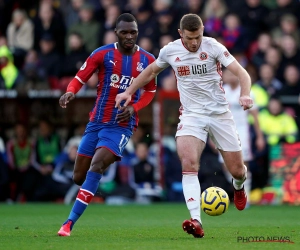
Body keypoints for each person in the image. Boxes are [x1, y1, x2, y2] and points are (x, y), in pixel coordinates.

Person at [115, 13, 253, 238]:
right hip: (191, 115)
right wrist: (129, 91)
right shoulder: (170, 51)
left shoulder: (213, 47)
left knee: (237, 170)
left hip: (220, 114)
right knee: (188, 162)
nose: (194, 43)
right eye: (189, 38)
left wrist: (245, 94)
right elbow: (150, 71)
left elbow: (242, 73)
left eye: (198, 37)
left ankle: (238, 187)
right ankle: (196, 220)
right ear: (181, 34)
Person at [57, 13, 156, 237]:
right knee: (78, 177)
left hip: (122, 125)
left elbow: (150, 92)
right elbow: (80, 77)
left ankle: (68, 224)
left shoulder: (148, 60)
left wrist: (135, 107)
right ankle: (93, 186)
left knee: (97, 166)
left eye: (133, 32)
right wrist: (70, 92)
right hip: (96, 122)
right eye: (125, 32)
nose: (129, 36)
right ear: (116, 33)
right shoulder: (102, 54)